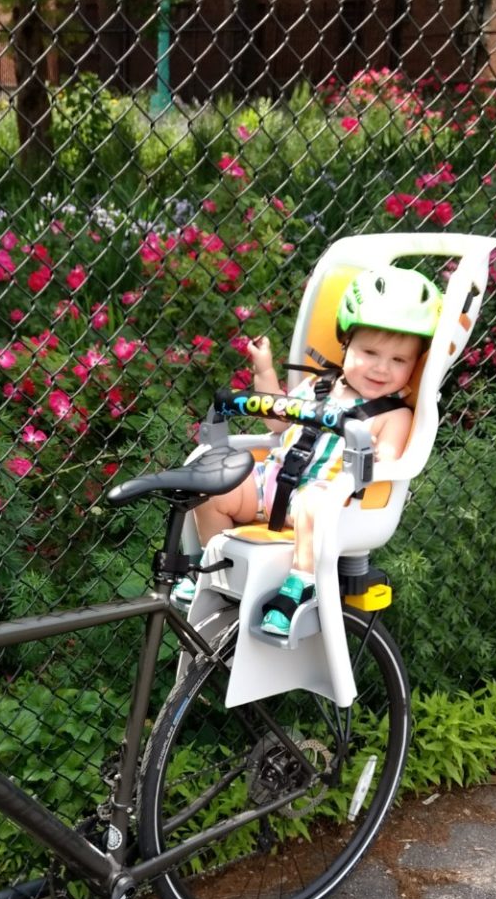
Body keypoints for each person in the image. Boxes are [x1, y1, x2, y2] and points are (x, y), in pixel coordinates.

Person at [182, 265, 442, 635]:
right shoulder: (318, 386)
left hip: (329, 504)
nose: (382, 368)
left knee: (313, 501)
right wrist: (264, 371)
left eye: (399, 361)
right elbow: (277, 422)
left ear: (414, 366)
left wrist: (378, 454)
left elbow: (385, 462)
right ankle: (212, 567)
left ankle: (300, 584)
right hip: (269, 489)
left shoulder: (394, 415)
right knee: (211, 488)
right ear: (345, 345)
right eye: (370, 352)